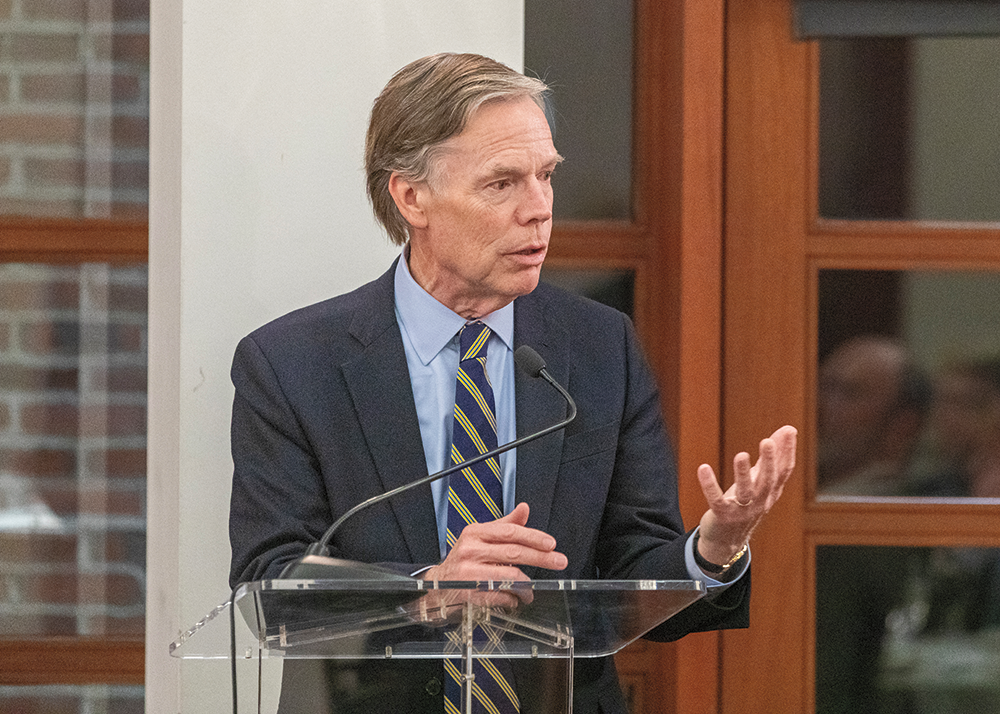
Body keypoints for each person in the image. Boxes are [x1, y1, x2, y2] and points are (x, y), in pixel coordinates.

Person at [228, 52, 796, 713]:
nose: (538, 210)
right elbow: (268, 591)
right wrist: (427, 585)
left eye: (546, 176)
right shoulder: (293, 364)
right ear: (412, 197)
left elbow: (631, 576)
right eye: (501, 184)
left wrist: (713, 550)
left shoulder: (597, 347)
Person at [817, 335, 930, 497]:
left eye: (848, 393)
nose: (820, 404)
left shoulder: (898, 507)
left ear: (902, 427)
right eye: (824, 387)